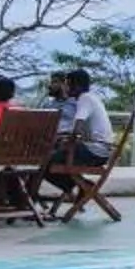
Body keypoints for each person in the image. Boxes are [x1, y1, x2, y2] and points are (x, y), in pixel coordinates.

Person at [49, 68, 113, 196]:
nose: (65, 87)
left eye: (68, 84)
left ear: (76, 86)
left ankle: (82, 185)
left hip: (95, 152)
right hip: (100, 150)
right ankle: (81, 185)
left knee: (47, 162)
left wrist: (68, 141)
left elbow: (77, 126)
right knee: (52, 159)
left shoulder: (84, 99)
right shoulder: (90, 98)